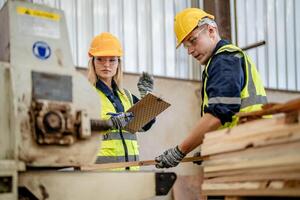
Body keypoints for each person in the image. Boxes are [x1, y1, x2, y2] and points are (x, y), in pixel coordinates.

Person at [155, 8, 268, 168]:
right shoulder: (228, 59)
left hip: (243, 157)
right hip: (245, 148)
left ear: (211, 31)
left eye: (193, 41)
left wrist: (180, 151)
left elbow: (218, 114)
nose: (190, 51)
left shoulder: (224, 61)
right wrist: (212, 146)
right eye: (186, 46)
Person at [87, 32, 155, 170]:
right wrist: (109, 123)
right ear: (92, 62)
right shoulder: (85, 94)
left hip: (131, 171)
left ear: (118, 63)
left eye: (112, 60)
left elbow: (145, 126)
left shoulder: (127, 96)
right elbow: (76, 127)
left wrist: (146, 98)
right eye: (100, 59)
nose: (106, 65)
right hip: (102, 174)